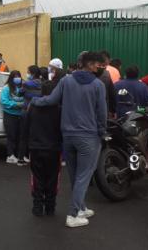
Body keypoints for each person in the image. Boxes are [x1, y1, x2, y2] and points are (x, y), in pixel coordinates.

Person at [31, 51, 107, 228]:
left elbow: (51, 100)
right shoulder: (98, 85)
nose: (100, 67)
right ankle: (73, 215)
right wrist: (102, 132)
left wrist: (35, 101)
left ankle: (81, 207)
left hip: (68, 136)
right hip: (88, 136)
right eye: (98, 64)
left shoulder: (66, 81)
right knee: (84, 175)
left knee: (75, 175)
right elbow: (102, 113)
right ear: (89, 65)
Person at [22, 81, 62, 217]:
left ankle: (37, 206)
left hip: (36, 147)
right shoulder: (59, 108)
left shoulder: (33, 107)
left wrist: (25, 147)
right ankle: (50, 206)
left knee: (37, 177)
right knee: (52, 178)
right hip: (54, 149)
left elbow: (26, 126)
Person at [0, 70, 25, 165]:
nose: (17, 78)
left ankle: (19, 155)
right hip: (10, 115)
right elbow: (4, 101)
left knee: (20, 135)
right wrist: (16, 104)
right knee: (11, 136)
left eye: (19, 76)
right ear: (11, 78)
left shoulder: (22, 87)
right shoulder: (6, 88)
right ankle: (10, 155)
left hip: (20, 115)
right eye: (15, 76)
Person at [96, 52, 117, 117]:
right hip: (103, 110)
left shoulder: (71, 78)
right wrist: (113, 110)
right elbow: (112, 94)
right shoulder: (107, 74)